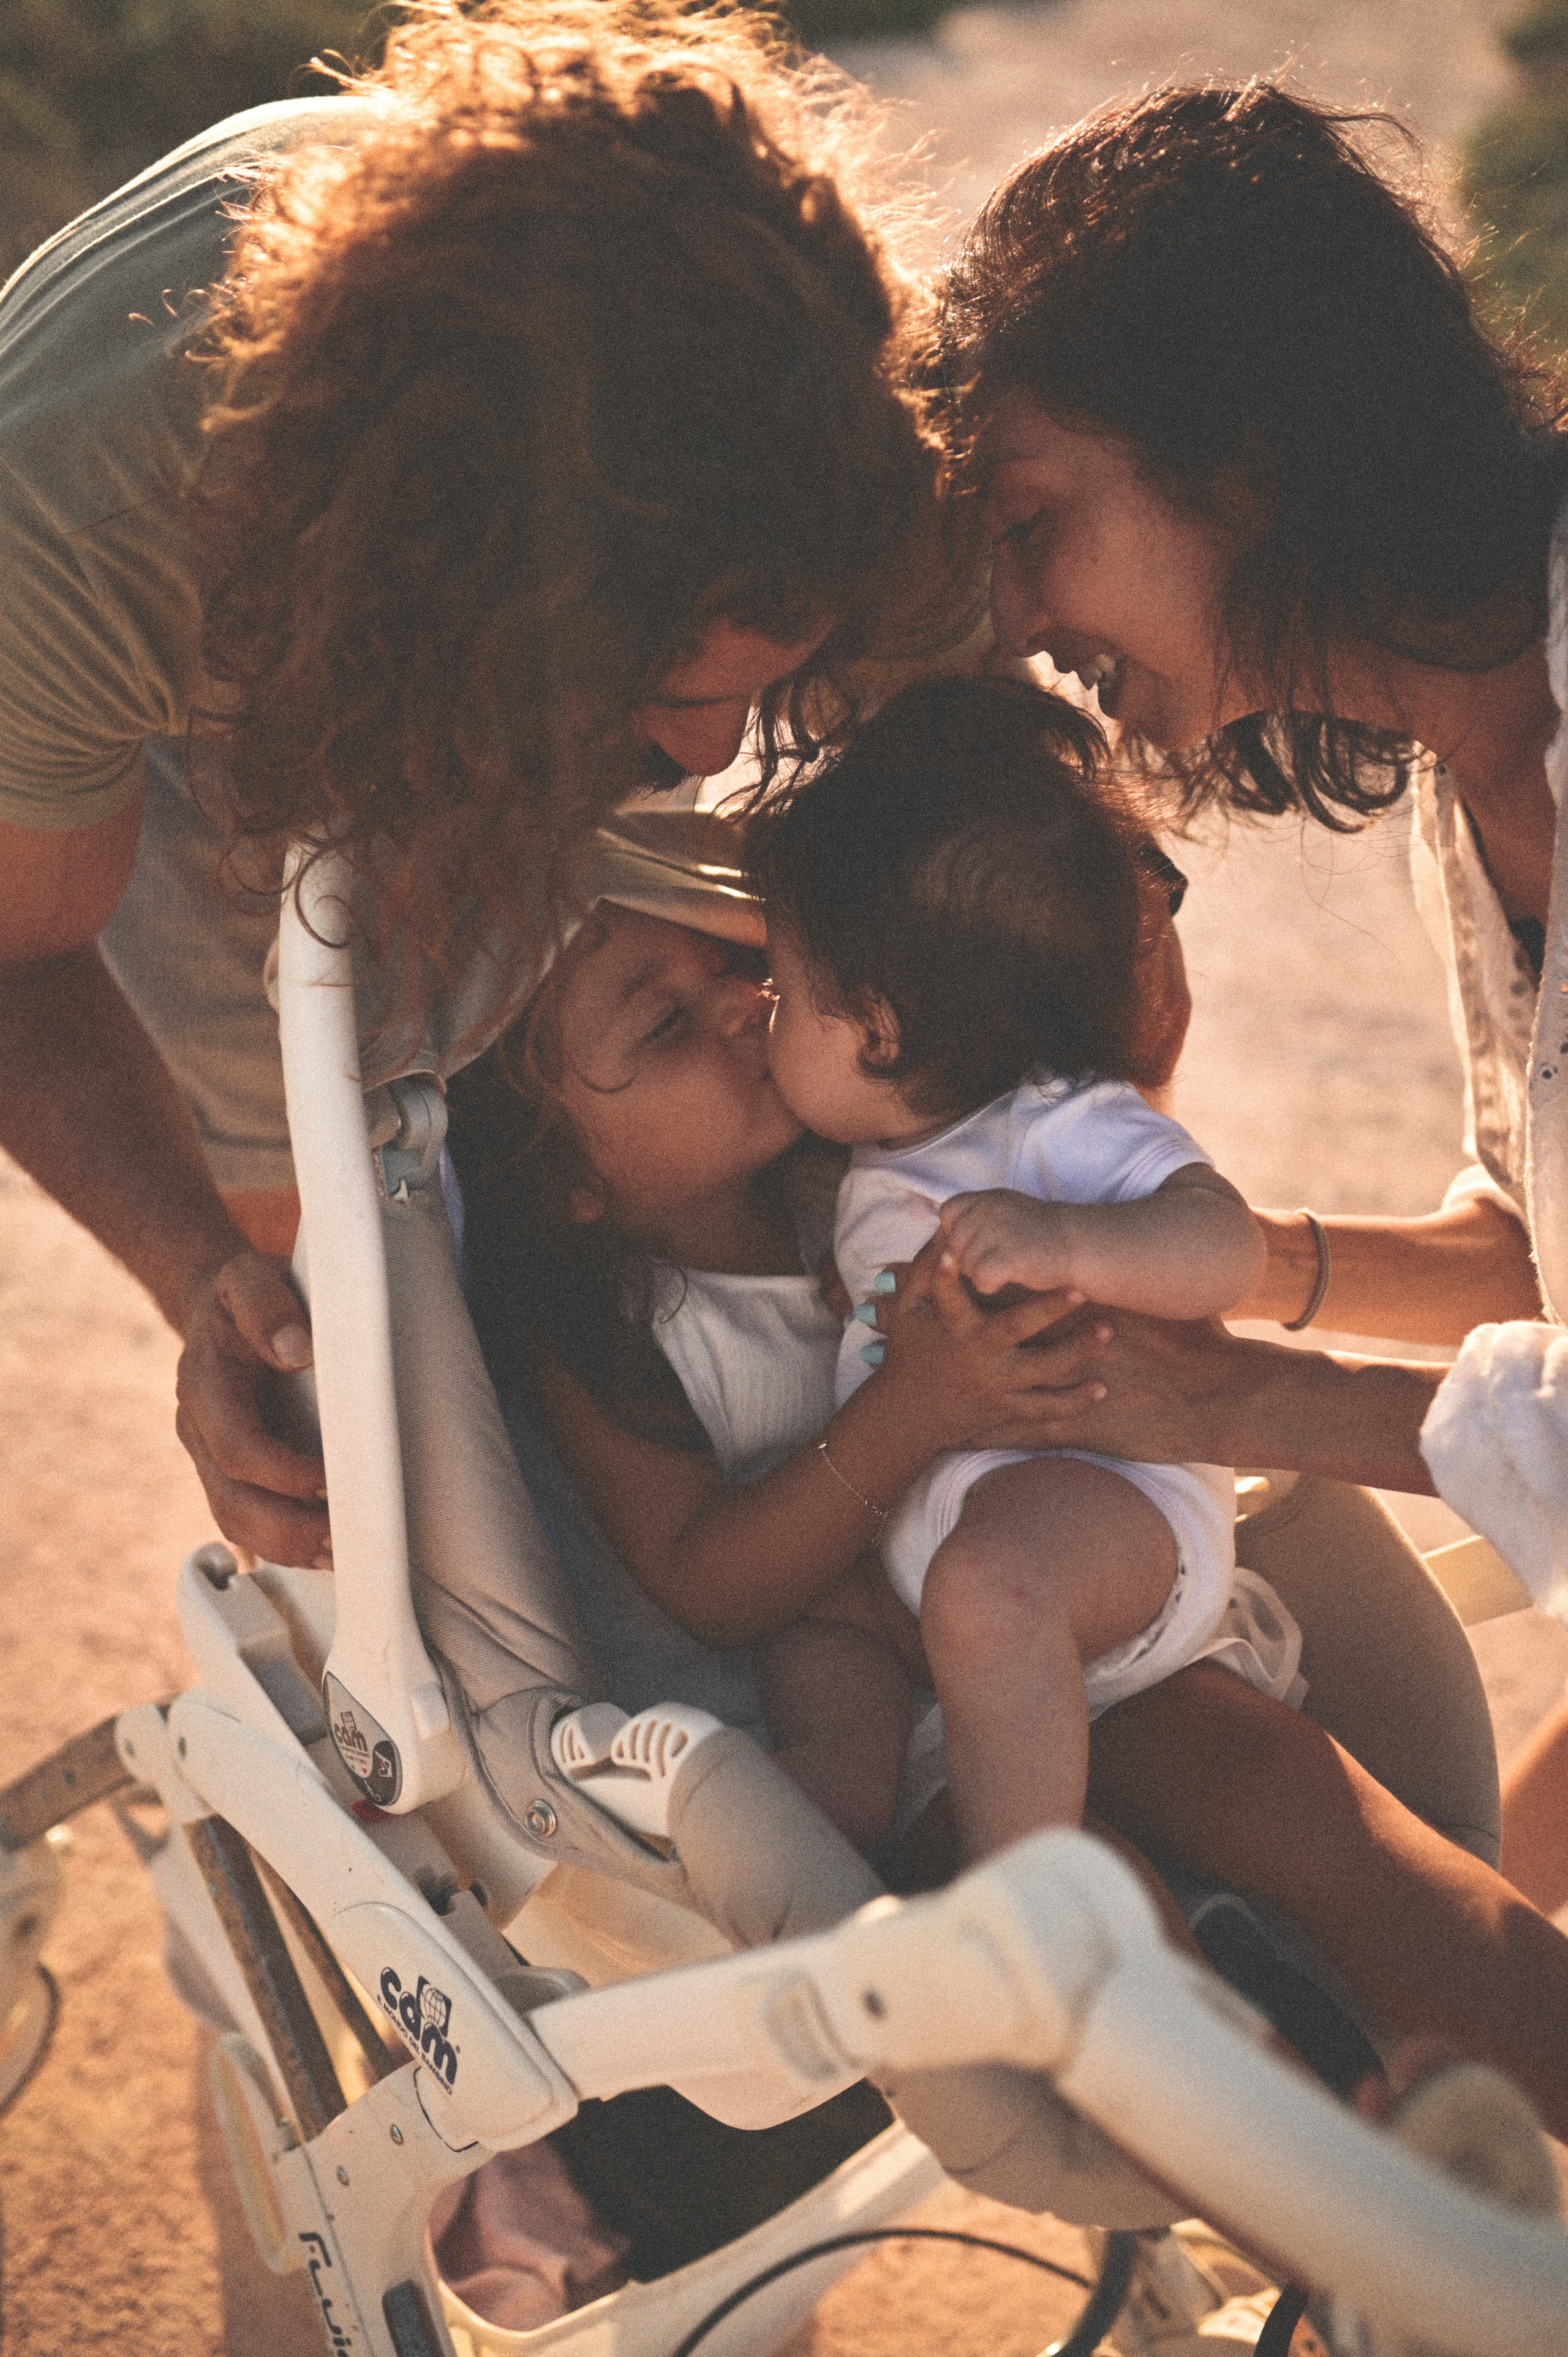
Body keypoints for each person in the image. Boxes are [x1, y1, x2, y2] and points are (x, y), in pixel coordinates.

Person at [0, 0, 979, 1571]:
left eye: (757, 690)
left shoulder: (833, 435)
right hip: (208, 680)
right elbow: (21, 955)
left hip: (479, 589)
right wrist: (204, 1283)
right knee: (324, 1228)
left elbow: (1038, 866)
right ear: (489, 628)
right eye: (677, 706)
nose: (718, 761)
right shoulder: (80, 537)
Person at [449, 797, 1568, 2141]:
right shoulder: (612, 1337)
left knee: (1289, 1793)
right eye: (665, 1024)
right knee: (1093, 1915)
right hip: (907, 1738)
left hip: (1074, 1596)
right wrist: (911, 1407)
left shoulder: (872, 1155)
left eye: (737, 969)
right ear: (566, 1176)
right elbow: (711, 1585)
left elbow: (1098, 1139)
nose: (744, 1007)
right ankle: (1348, 2176)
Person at [934, 79, 1568, 1907]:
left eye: (1034, 522)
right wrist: (1211, 1269)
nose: (1014, 620)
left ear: (1242, 457)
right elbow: (1533, 1254)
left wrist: (1235, 1401)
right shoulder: (1480, 761)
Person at [752, 676, 1300, 1861]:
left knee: (988, 1588)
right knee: (813, 1610)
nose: (763, 1021)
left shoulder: (1059, 1125)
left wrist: (1070, 1242)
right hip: (938, 1529)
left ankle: (1024, 1887)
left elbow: (1229, 1249)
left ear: (880, 1030)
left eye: (783, 997)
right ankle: (845, 1780)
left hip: (1102, 1507)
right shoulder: (874, 1159)